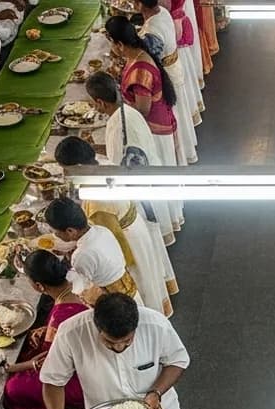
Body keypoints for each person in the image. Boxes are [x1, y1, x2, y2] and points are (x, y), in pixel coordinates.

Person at [40, 293, 196, 409]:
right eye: (110, 342)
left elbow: (178, 360)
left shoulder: (156, 325)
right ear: (97, 327)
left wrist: (156, 392)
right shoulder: (71, 333)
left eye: (127, 340)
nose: (119, 347)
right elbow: (52, 381)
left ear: (136, 326)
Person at [55, 136, 176, 317]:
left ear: (78, 166)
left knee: (140, 281)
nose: (66, 174)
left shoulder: (97, 201)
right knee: (149, 273)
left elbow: (110, 238)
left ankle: (147, 316)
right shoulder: (103, 163)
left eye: (67, 169)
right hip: (134, 225)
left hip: (127, 240)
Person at [85, 71, 184, 245]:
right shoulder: (127, 110)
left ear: (100, 102)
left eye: (93, 103)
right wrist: (93, 148)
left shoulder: (118, 129)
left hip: (142, 189)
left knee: (150, 238)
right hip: (151, 171)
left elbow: (118, 168)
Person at [2, 251, 87, 409]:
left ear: (39, 286)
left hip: (80, 377)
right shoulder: (77, 286)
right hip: (87, 355)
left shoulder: (60, 316)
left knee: (14, 388)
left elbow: (49, 362)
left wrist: (15, 368)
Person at [106, 18, 187, 169]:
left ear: (120, 45)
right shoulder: (138, 54)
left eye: (112, 43)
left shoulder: (140, 72)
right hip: (158, 120)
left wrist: (116, 110)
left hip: (154, 130)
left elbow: (143, 110)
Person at [131, 6, 200, 164]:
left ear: (138, 4)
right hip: (174, 65)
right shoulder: (163, 11)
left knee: (174, 113)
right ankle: (186, 148)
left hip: (166, 76)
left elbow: (147, 59)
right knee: (180, 112)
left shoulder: (151, 31)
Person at [43, 198, 138, 304]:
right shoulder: (101, 230)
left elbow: (79, 286)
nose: (55, 236)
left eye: (56, 232)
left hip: (116, 298)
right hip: (128, 283)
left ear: (70, 231)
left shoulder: (81, 255)